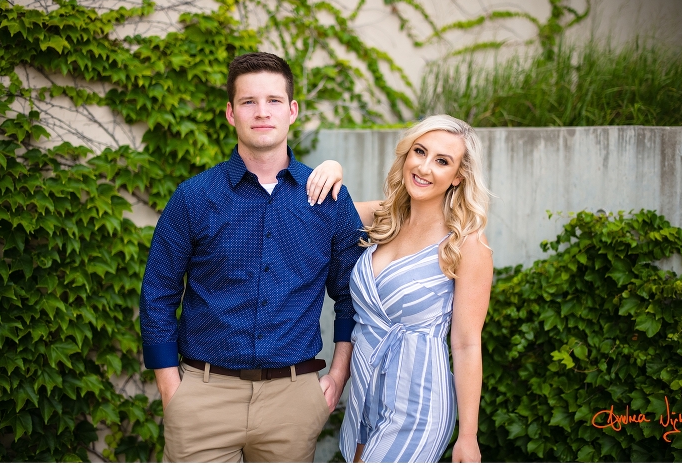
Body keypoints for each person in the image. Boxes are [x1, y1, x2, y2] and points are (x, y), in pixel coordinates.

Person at [139, 52, 365, 462]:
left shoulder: (328, 199)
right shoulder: (193, 197)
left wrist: (337, 374)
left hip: (293, 400)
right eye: (249, 102)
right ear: (230, 113)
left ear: (292, 110)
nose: (262, 112)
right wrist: (173, 390)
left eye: (274, 101)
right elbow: (157, 294)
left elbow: (350, 294)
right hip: (203, 397)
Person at [307, 114, 493, 462]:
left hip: (418, 403)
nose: (424, 167)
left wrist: (468, 435)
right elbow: (315, 208)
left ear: (458, 177)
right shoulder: (382, 217)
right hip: (364, 393)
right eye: (419, 151)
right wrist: (331, 168)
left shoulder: (467, 243)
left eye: (442, 161)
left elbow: (467, 343)